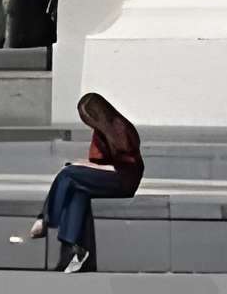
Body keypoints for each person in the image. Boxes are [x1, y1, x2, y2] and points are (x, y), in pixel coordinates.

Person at [18, 91, 143, 272]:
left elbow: (124, 168)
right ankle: (75, 248)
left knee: (68, 175)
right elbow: (98, 163)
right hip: (109, 176)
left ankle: (45, 220)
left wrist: (84, 169)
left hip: (124, 180)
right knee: (77, 189)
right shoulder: (100, 133)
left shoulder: (120, 128)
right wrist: (82, 165)